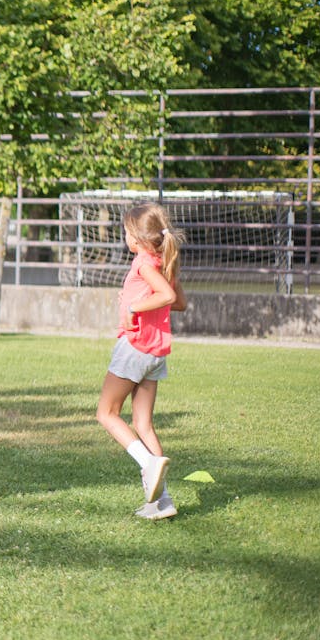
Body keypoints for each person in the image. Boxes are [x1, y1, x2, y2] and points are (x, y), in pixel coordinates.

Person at [95, 201, 187, 520]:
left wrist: (134, 307)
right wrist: (148, 302)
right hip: (155, 352)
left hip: (135, 347)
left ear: (135, 236)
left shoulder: (145, 263)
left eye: (125, 232)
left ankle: (147, 464)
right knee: (143, 424)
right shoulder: (164, 261)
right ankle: (162, 502)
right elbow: (180, 302)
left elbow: (169, 298)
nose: (124, 237)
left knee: (106, 413)